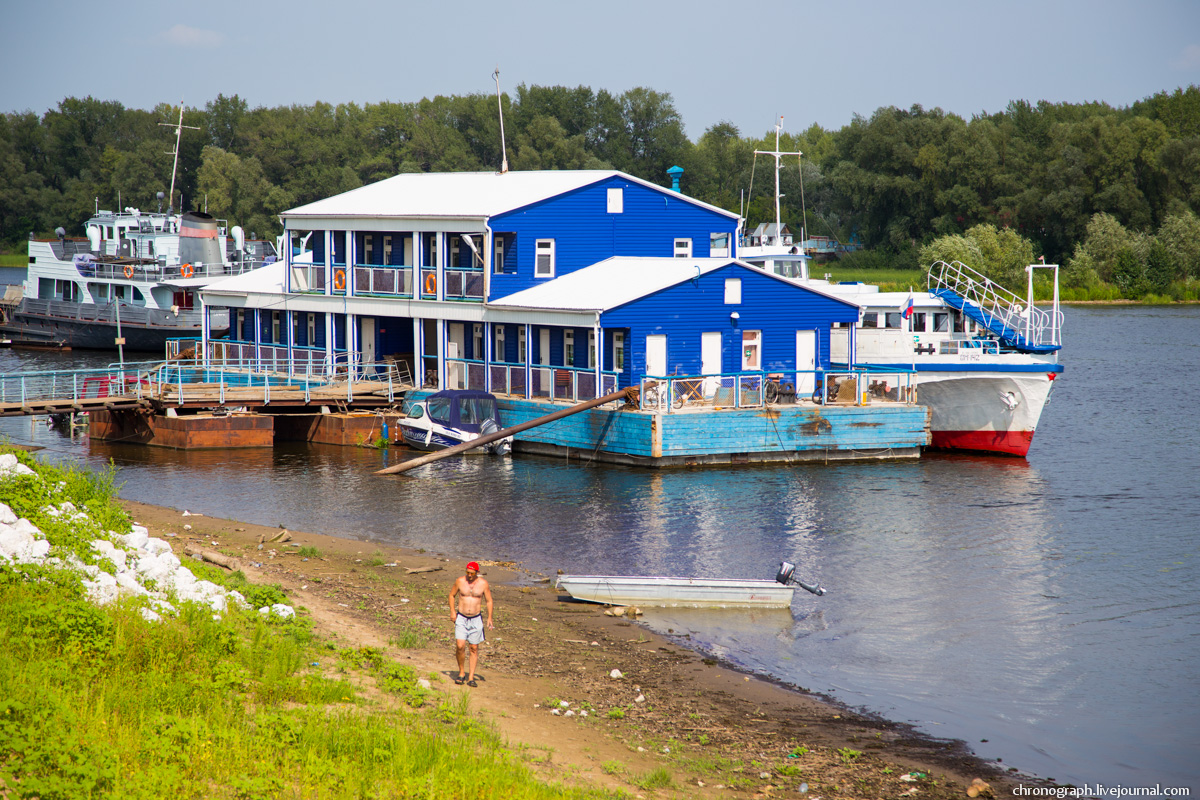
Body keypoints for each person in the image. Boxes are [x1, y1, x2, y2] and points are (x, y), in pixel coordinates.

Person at [448, 561, 493, 687]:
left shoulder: (483, 584)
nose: (469, 575)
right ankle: (461, 672)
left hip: (476, 619)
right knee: (460, 645)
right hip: (461, 617)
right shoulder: (460, 581)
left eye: (472, 573)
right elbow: (452, 595)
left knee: (473, 647)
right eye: (467, 572)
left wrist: (489, 617)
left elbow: (489, 601)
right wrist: (452, 612)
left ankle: (471, 677)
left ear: (477, 572)